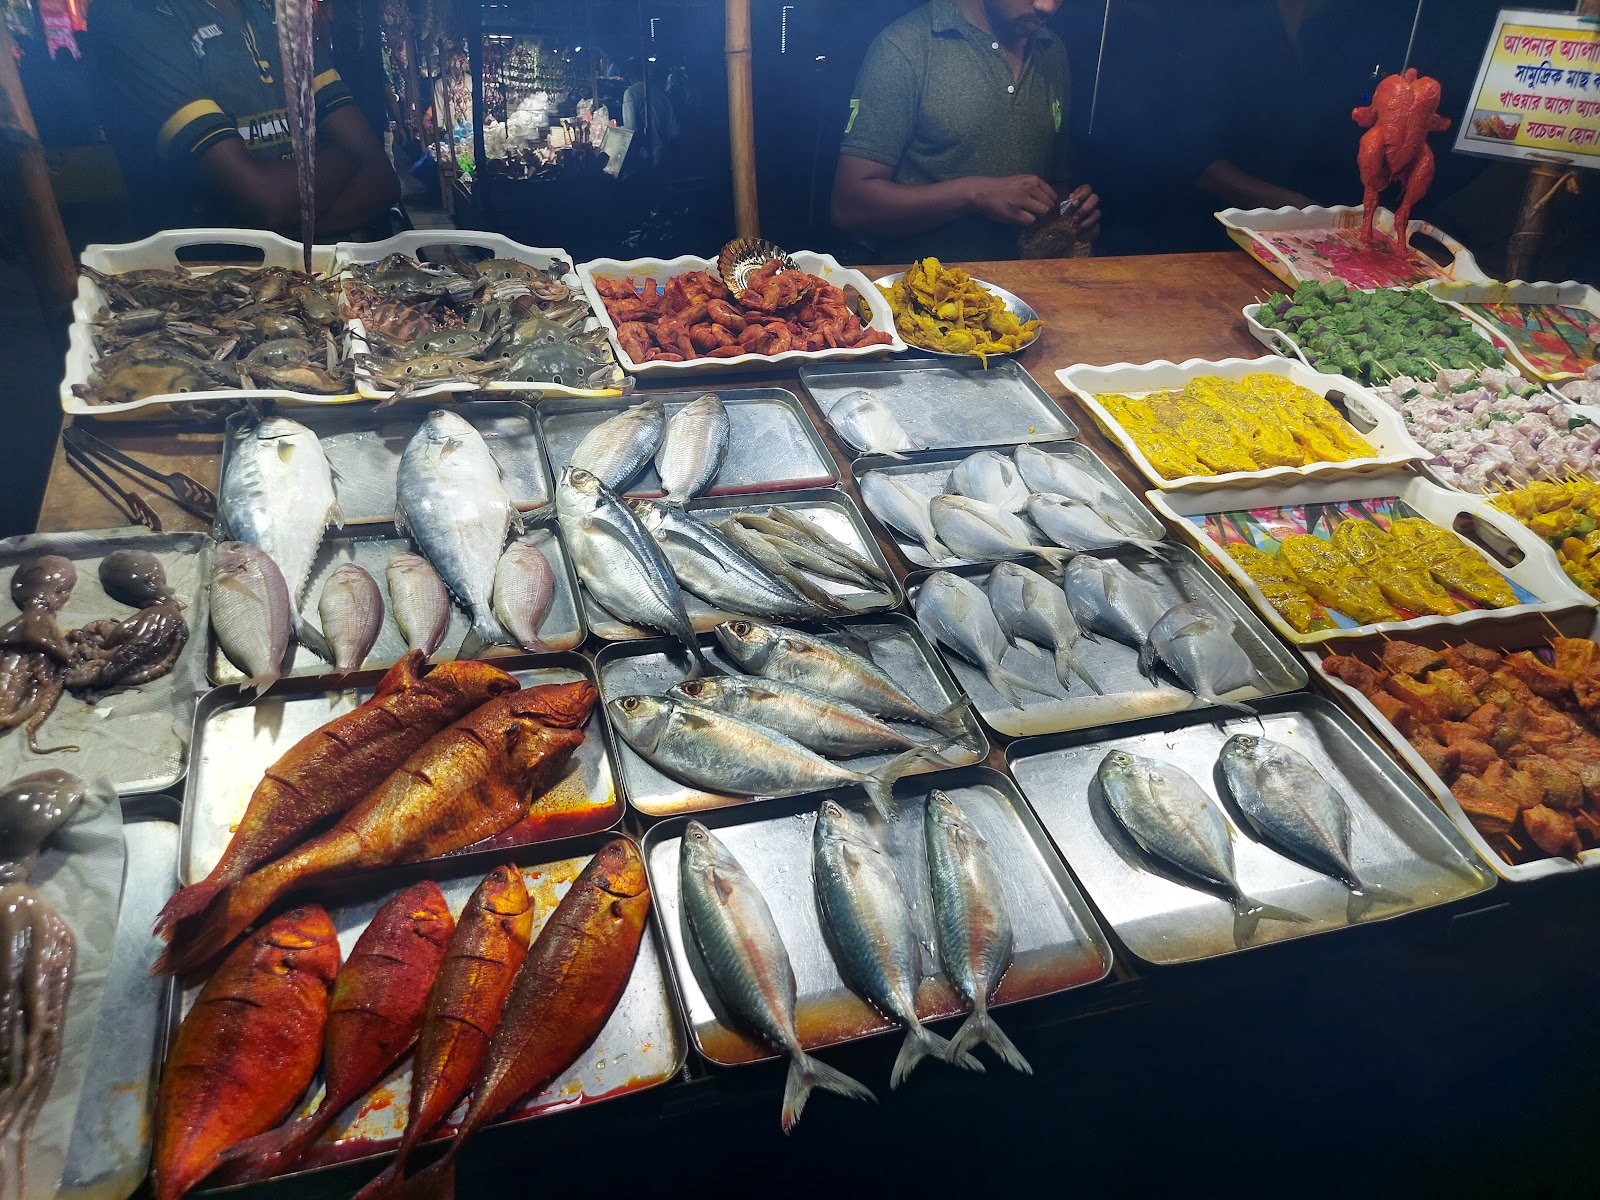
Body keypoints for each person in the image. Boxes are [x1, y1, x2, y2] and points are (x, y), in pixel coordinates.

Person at [89, 0, 400, 238]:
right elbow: (266, 200)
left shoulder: (272, 12)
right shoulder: (135, 13)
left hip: (318, 278)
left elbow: (383, 183)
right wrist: (347, 157)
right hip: (212, 294)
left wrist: (256, 226)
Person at [830, 0, 1100, 261]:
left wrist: (1071, 218)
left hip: (1023, 290)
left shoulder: (1051, 50)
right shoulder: (905, 47)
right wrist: (974, 194)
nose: (1047, 6)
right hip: (923, 293)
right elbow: (849, 206)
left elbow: (1053, 189)